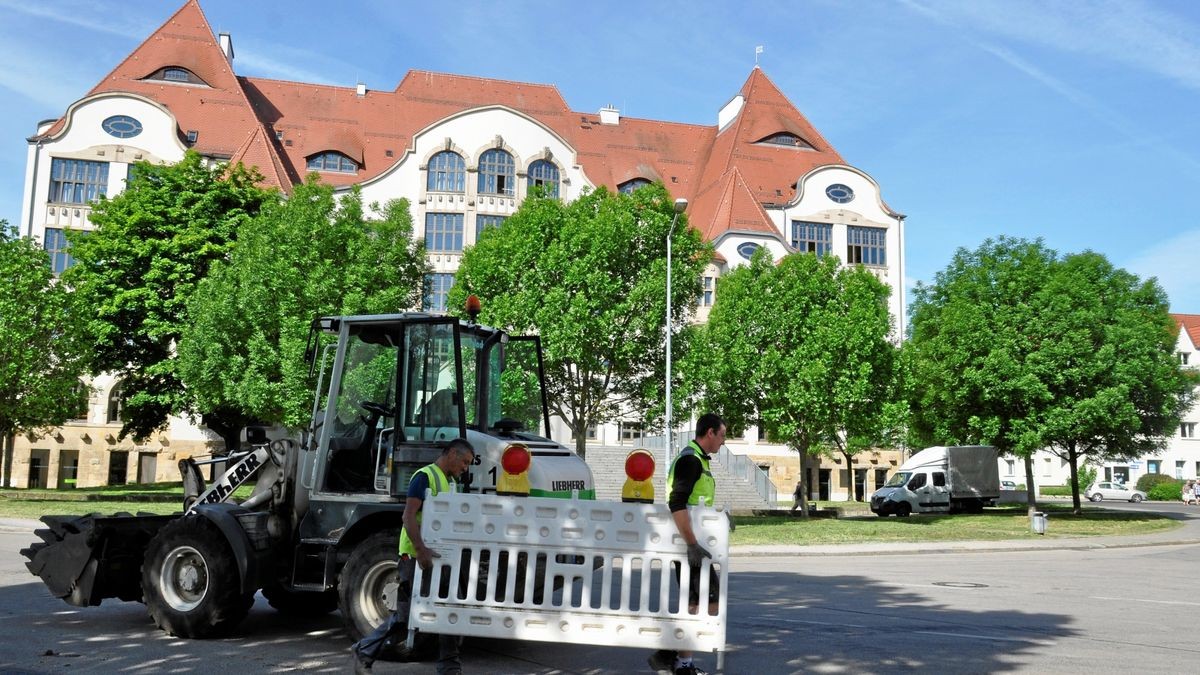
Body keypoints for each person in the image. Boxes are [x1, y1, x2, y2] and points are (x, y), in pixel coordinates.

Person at [351, 438, 476, 675]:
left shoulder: (450, 482)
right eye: (465, 462)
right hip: (416, 556)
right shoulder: (424, 476)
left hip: (441, 557)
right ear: (451, 454)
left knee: (452, 608)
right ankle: (364, 651)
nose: (465, 468)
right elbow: (408, 517)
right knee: (407, 615)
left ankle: (449, 667)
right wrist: (420, 551)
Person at [648, 413, 726, 675]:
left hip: (693, 545)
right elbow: (677, 502)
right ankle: (672, 655)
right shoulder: (690, 460)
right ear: (710, 433)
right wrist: (692, 545)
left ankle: (680, 662)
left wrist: (722, 519)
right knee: (709, 602)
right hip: (689, 547)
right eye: (722, 435)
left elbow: (697, 504)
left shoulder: (697, 460)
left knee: (697, 603)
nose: (723, 442)